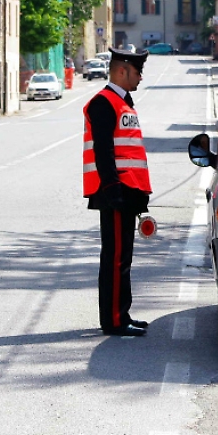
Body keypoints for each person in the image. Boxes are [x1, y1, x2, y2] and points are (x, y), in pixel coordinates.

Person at [83, 42, 153, 337]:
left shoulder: (122, 103)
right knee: (114, 258)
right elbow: (104, 150)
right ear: (122, 70)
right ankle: (113, 320)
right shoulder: (104, 102)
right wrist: (113, 189)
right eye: (138, 71)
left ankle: (121, 313)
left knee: (123, 258)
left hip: (127, 191)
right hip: (115, 192)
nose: (140, 77)